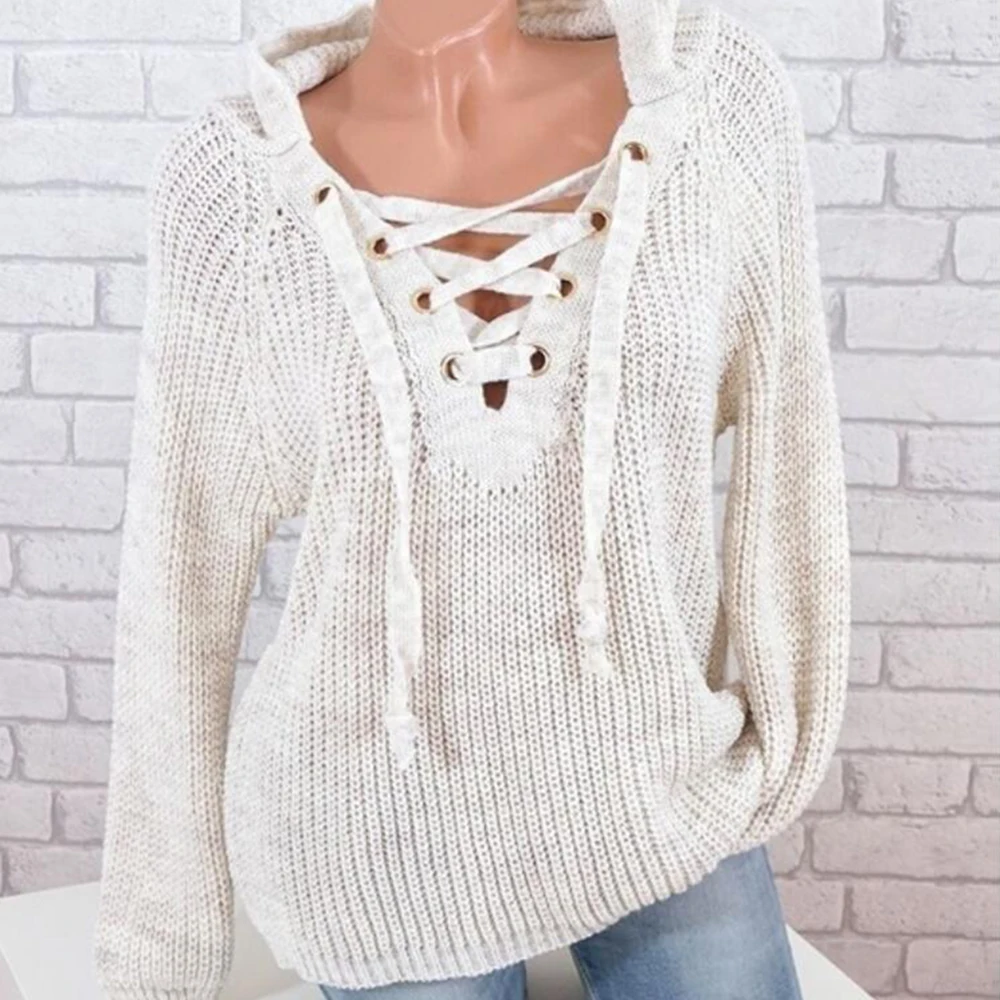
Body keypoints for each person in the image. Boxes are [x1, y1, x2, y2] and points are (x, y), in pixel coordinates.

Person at [92, 1, 852, 998]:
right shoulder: (231, 190)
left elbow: (791, 439)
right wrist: (157, 958)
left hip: (657, 780)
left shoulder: (710, 102)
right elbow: (178, 577)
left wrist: (783, 740)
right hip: (371, 838)